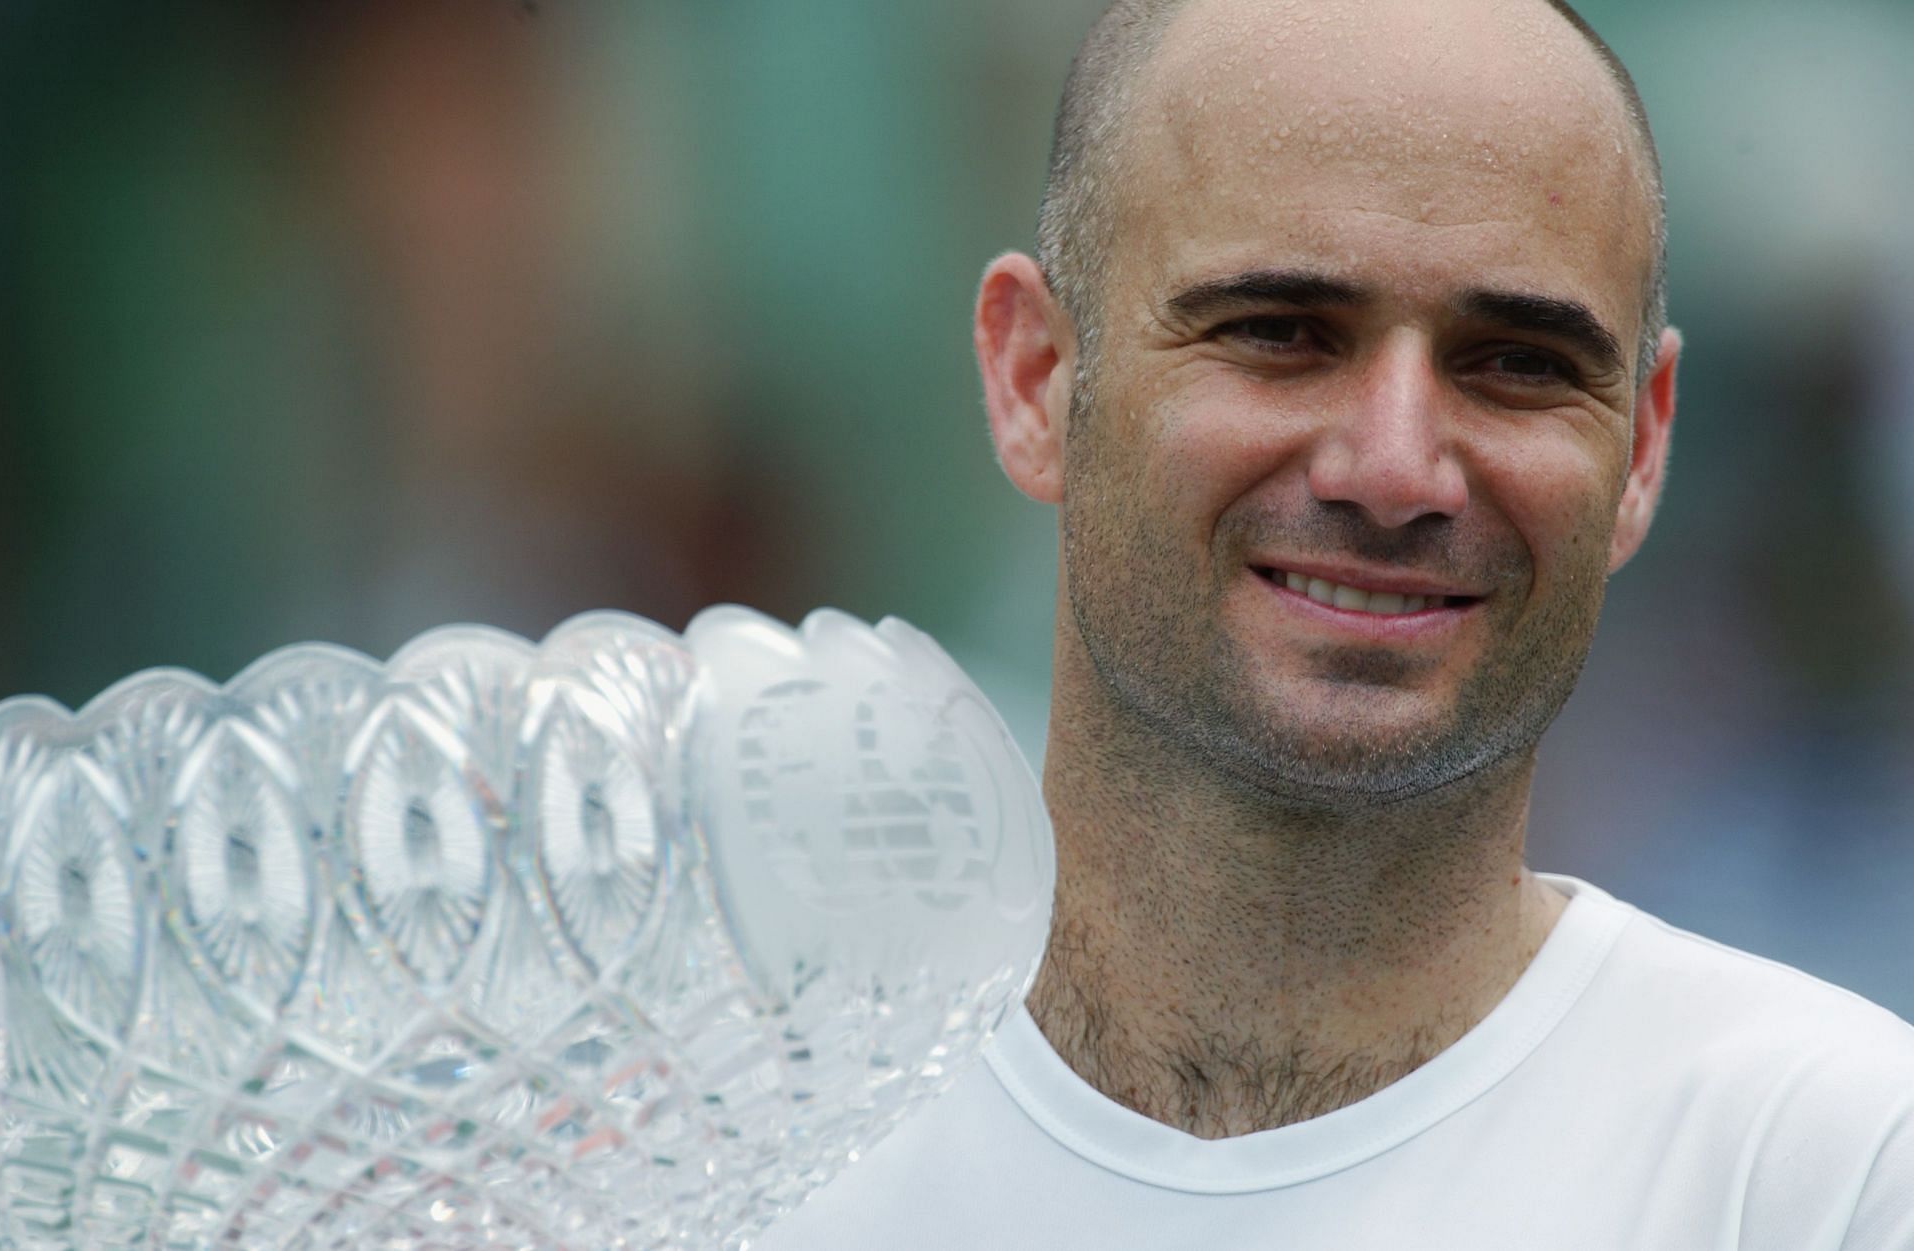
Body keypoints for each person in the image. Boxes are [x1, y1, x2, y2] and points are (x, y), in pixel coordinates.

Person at [758, 0, 1914, 1246]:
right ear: (1036, 376)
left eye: (1517, 361)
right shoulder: (714, 1141)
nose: (1396, 468)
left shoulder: (1826, 1169)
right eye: (1278, 333)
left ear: (1641, 448)